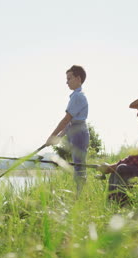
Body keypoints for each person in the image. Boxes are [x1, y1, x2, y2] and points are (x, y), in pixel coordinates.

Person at [46, 65, 89, 194]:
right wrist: (59, 136)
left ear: (78, 79)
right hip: (75, 132)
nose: (67, 82)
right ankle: (79, 195)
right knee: (78, 166)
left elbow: (66, 119)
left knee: (79, 167)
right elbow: (69, 122)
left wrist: (52, 136)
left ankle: (80, 197)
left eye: (69, 78)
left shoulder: (78, 96)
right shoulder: (76, 96)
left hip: (79, 134)